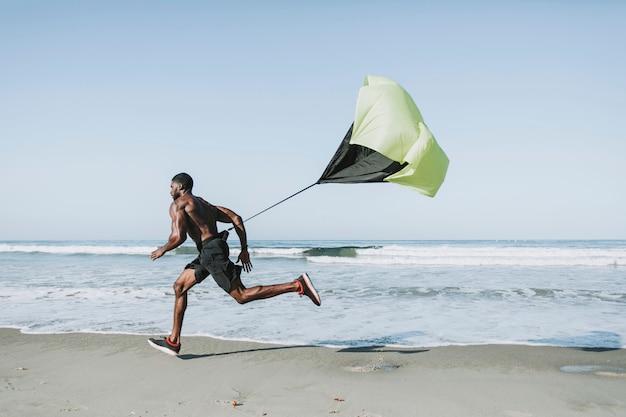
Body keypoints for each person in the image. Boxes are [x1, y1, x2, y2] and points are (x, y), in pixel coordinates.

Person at [147, 173, 320, 356]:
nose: (169, 191)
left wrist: (163, 249)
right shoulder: (205, 204)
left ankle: (297, 285)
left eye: (171, 186)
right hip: (211, 250)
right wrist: (244, 248)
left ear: (180, 186)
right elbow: (236, 218)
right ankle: (173, 342)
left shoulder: (179, 204)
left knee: (241, 295)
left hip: (211, 252)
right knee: (179, 286)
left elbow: (178, 237)